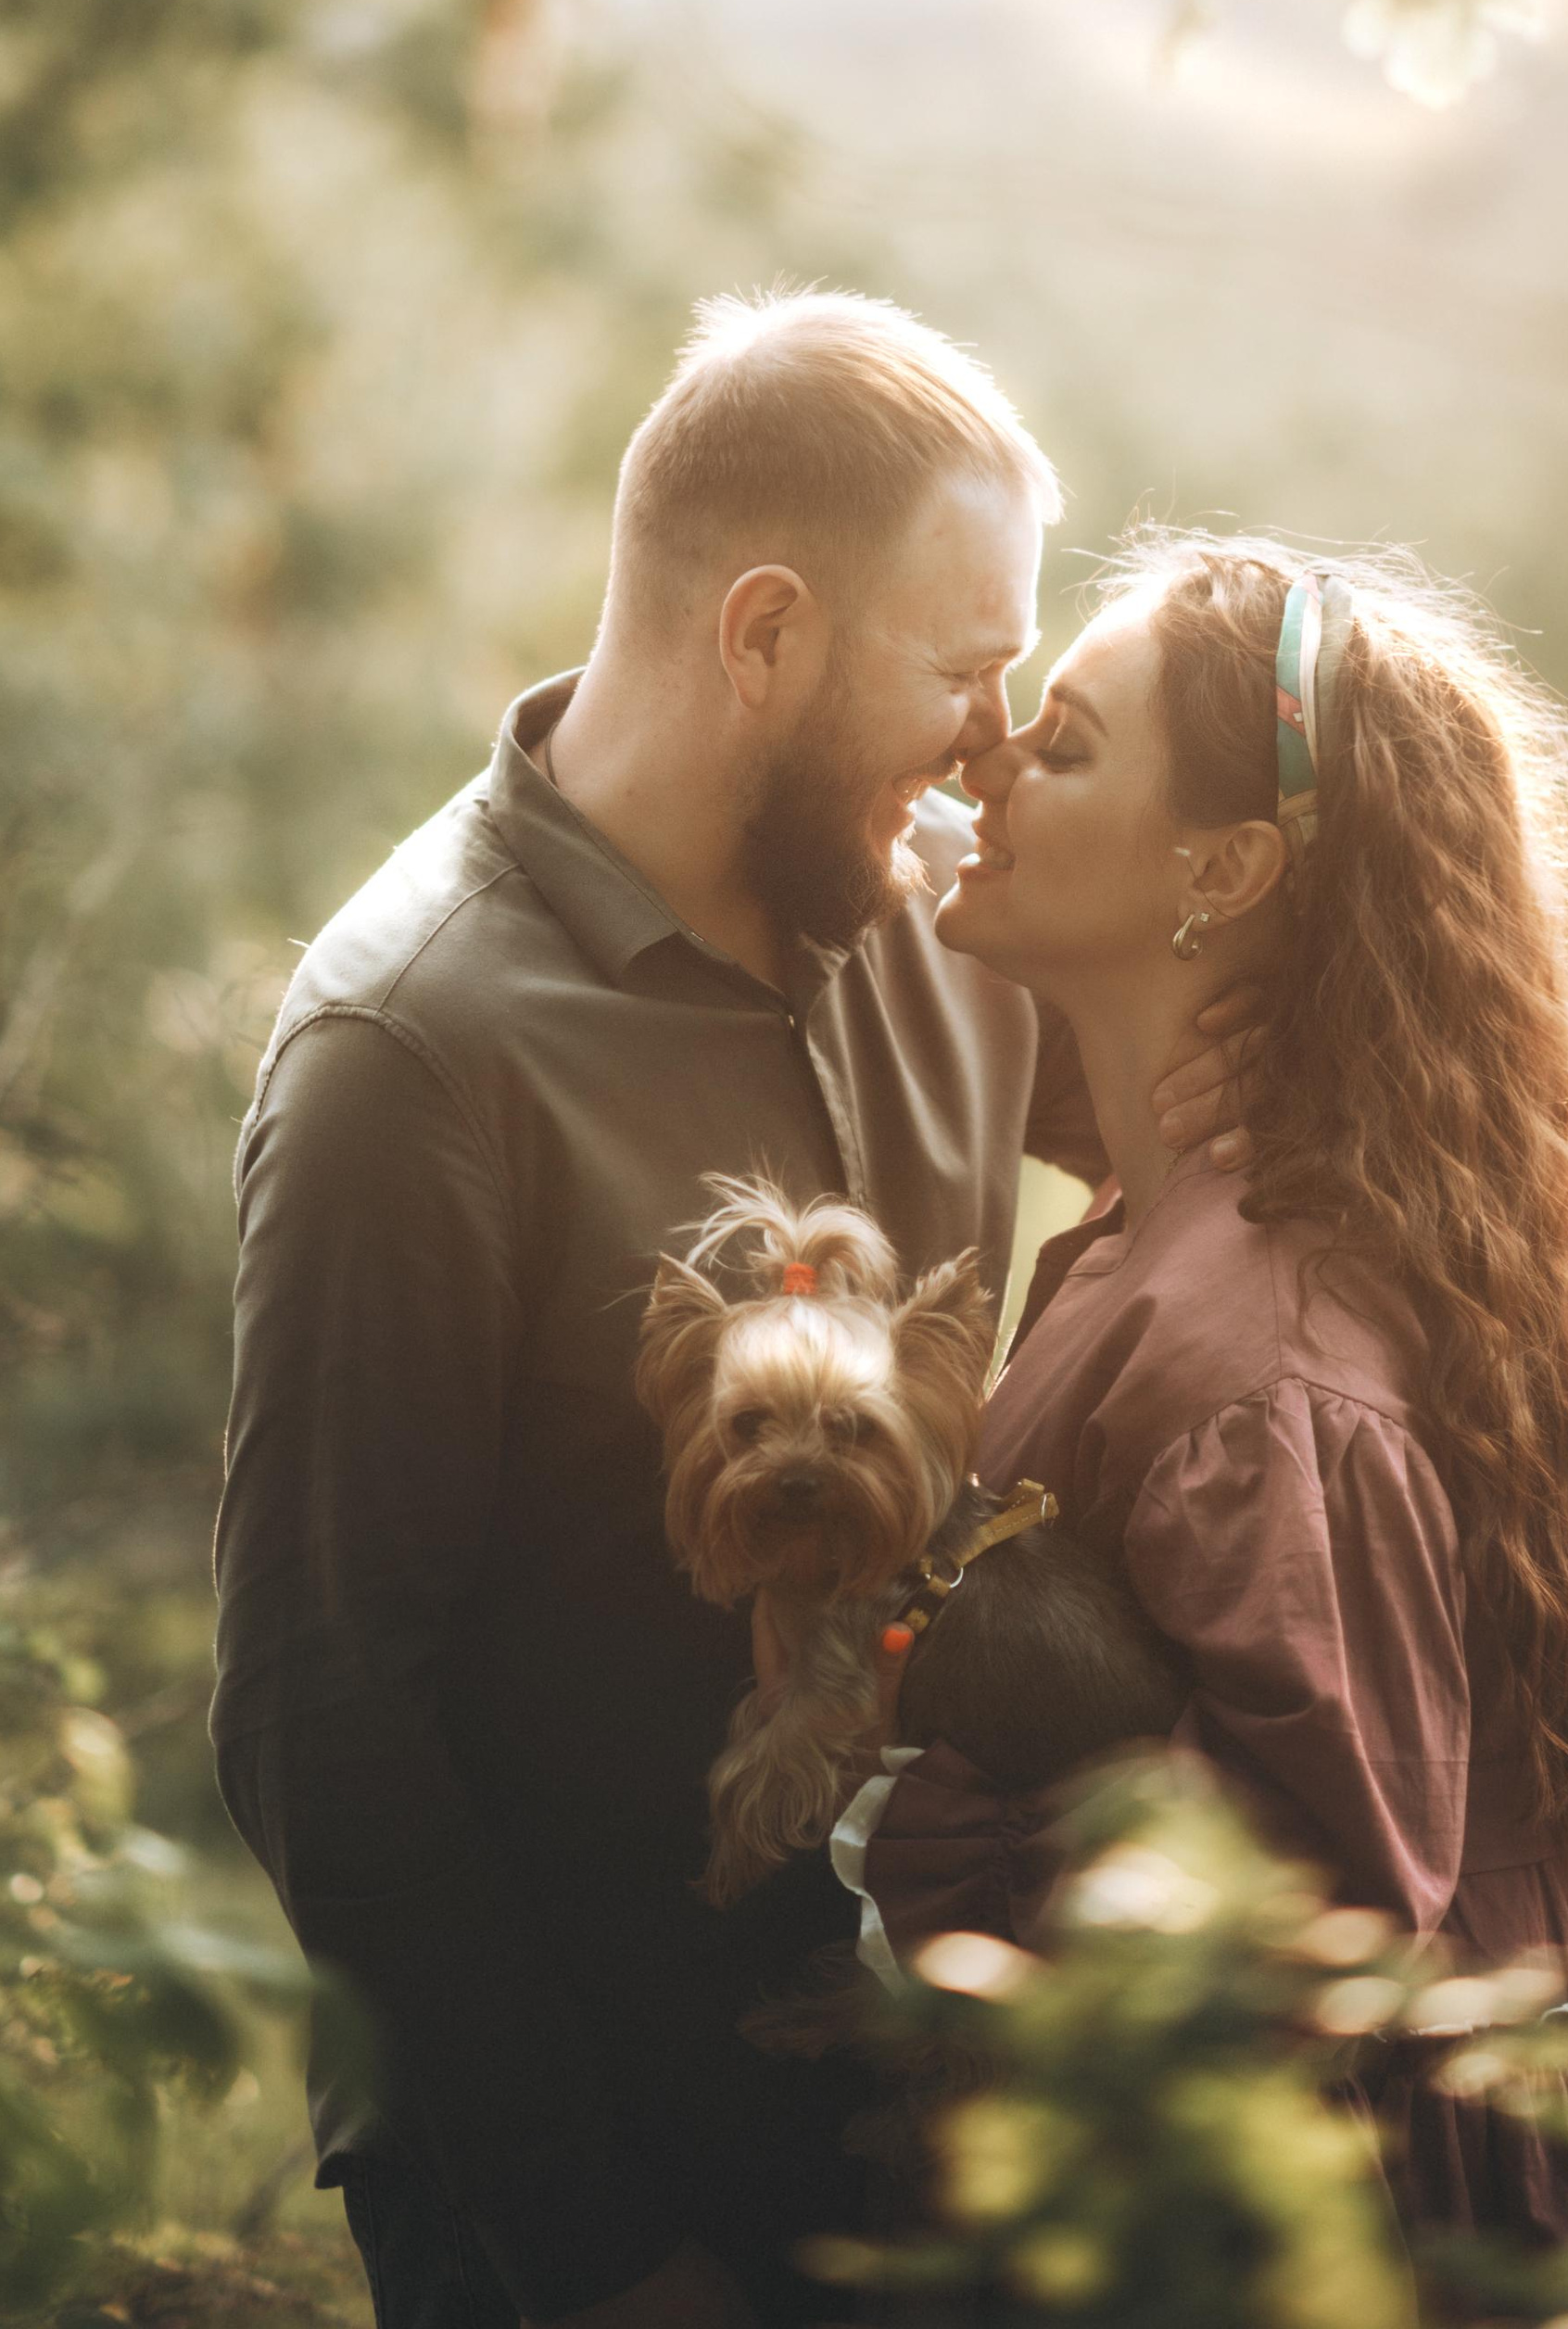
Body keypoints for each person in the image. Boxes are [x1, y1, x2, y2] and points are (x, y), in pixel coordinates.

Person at [209, 297, 1242, 2329]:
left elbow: (1217, 1157)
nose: (991, 738)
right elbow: (319, 1712)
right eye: (961, 668)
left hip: (915, 2085)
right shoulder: (411, 1052)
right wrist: (596, 2255)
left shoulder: (941, 916)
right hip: (591, 2160)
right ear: (760, 633)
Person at [867, 530, 1568, 2248]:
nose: (990, 755)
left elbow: (1310, 1944)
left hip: (1377, 2221)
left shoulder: (1268, 1368)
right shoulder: (1194, 1206)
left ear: (1226, 870)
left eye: (1068, 744)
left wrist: (927, 1821)